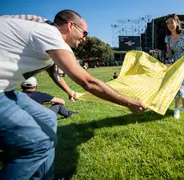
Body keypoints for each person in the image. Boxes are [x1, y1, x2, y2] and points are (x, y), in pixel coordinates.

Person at [0, 10, 147, 180]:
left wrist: (69, 92)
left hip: (7, 91)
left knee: (48, 118)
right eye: (84, 32)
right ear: (70, 25)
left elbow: (54, 73)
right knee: (40, 143)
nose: (84, 38)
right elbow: (88, 82)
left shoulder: (44, 31)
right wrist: (128, 102)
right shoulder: (50, 34)